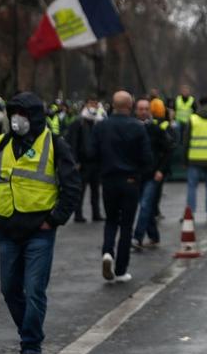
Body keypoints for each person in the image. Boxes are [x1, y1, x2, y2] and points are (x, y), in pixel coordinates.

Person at [0, 92, 82, 354]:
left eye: (22, 114)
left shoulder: (54, 144)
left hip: (40, 230)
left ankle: (31, 345)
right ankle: (29, 332)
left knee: (35, 289)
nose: (17, 119)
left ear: (34, 117)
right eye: (13, 113)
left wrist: (55, 219)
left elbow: (72, 185)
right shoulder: (0, 143)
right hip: (6, 229)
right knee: (9, 288)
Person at [92, 91, 152, 283]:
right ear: (131, 105)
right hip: (130, 181)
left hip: (109, 179)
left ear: (113, 104)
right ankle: (121, 269)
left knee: (111, 220)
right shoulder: (138, 127)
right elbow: (146, 158)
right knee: (126, 226)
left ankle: (107, 252)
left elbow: (92, 152)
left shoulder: (101, 127)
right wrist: (138, 172)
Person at [133, 97, 176, 250]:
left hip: (152, 174)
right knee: (147, 207)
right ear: (136, 111)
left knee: (145, 206)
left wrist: (161, 170)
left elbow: (169, 150)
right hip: (137, 174)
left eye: (146, 109)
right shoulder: (131, 128)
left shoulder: (156, 130)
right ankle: (154, 236)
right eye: (141, 109)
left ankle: (137, 238)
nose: (144, 112)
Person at [66, 100, 104, 222]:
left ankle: (96, 213)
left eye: (95, 104)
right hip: (82, 163)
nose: (93, 107)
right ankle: (78, 214)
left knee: (95, 190)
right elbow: (73, 142)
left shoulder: (97, 122)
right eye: (91, 104)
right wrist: (75, 161)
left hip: (95, 162)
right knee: (81, 190)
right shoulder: (78, 123)